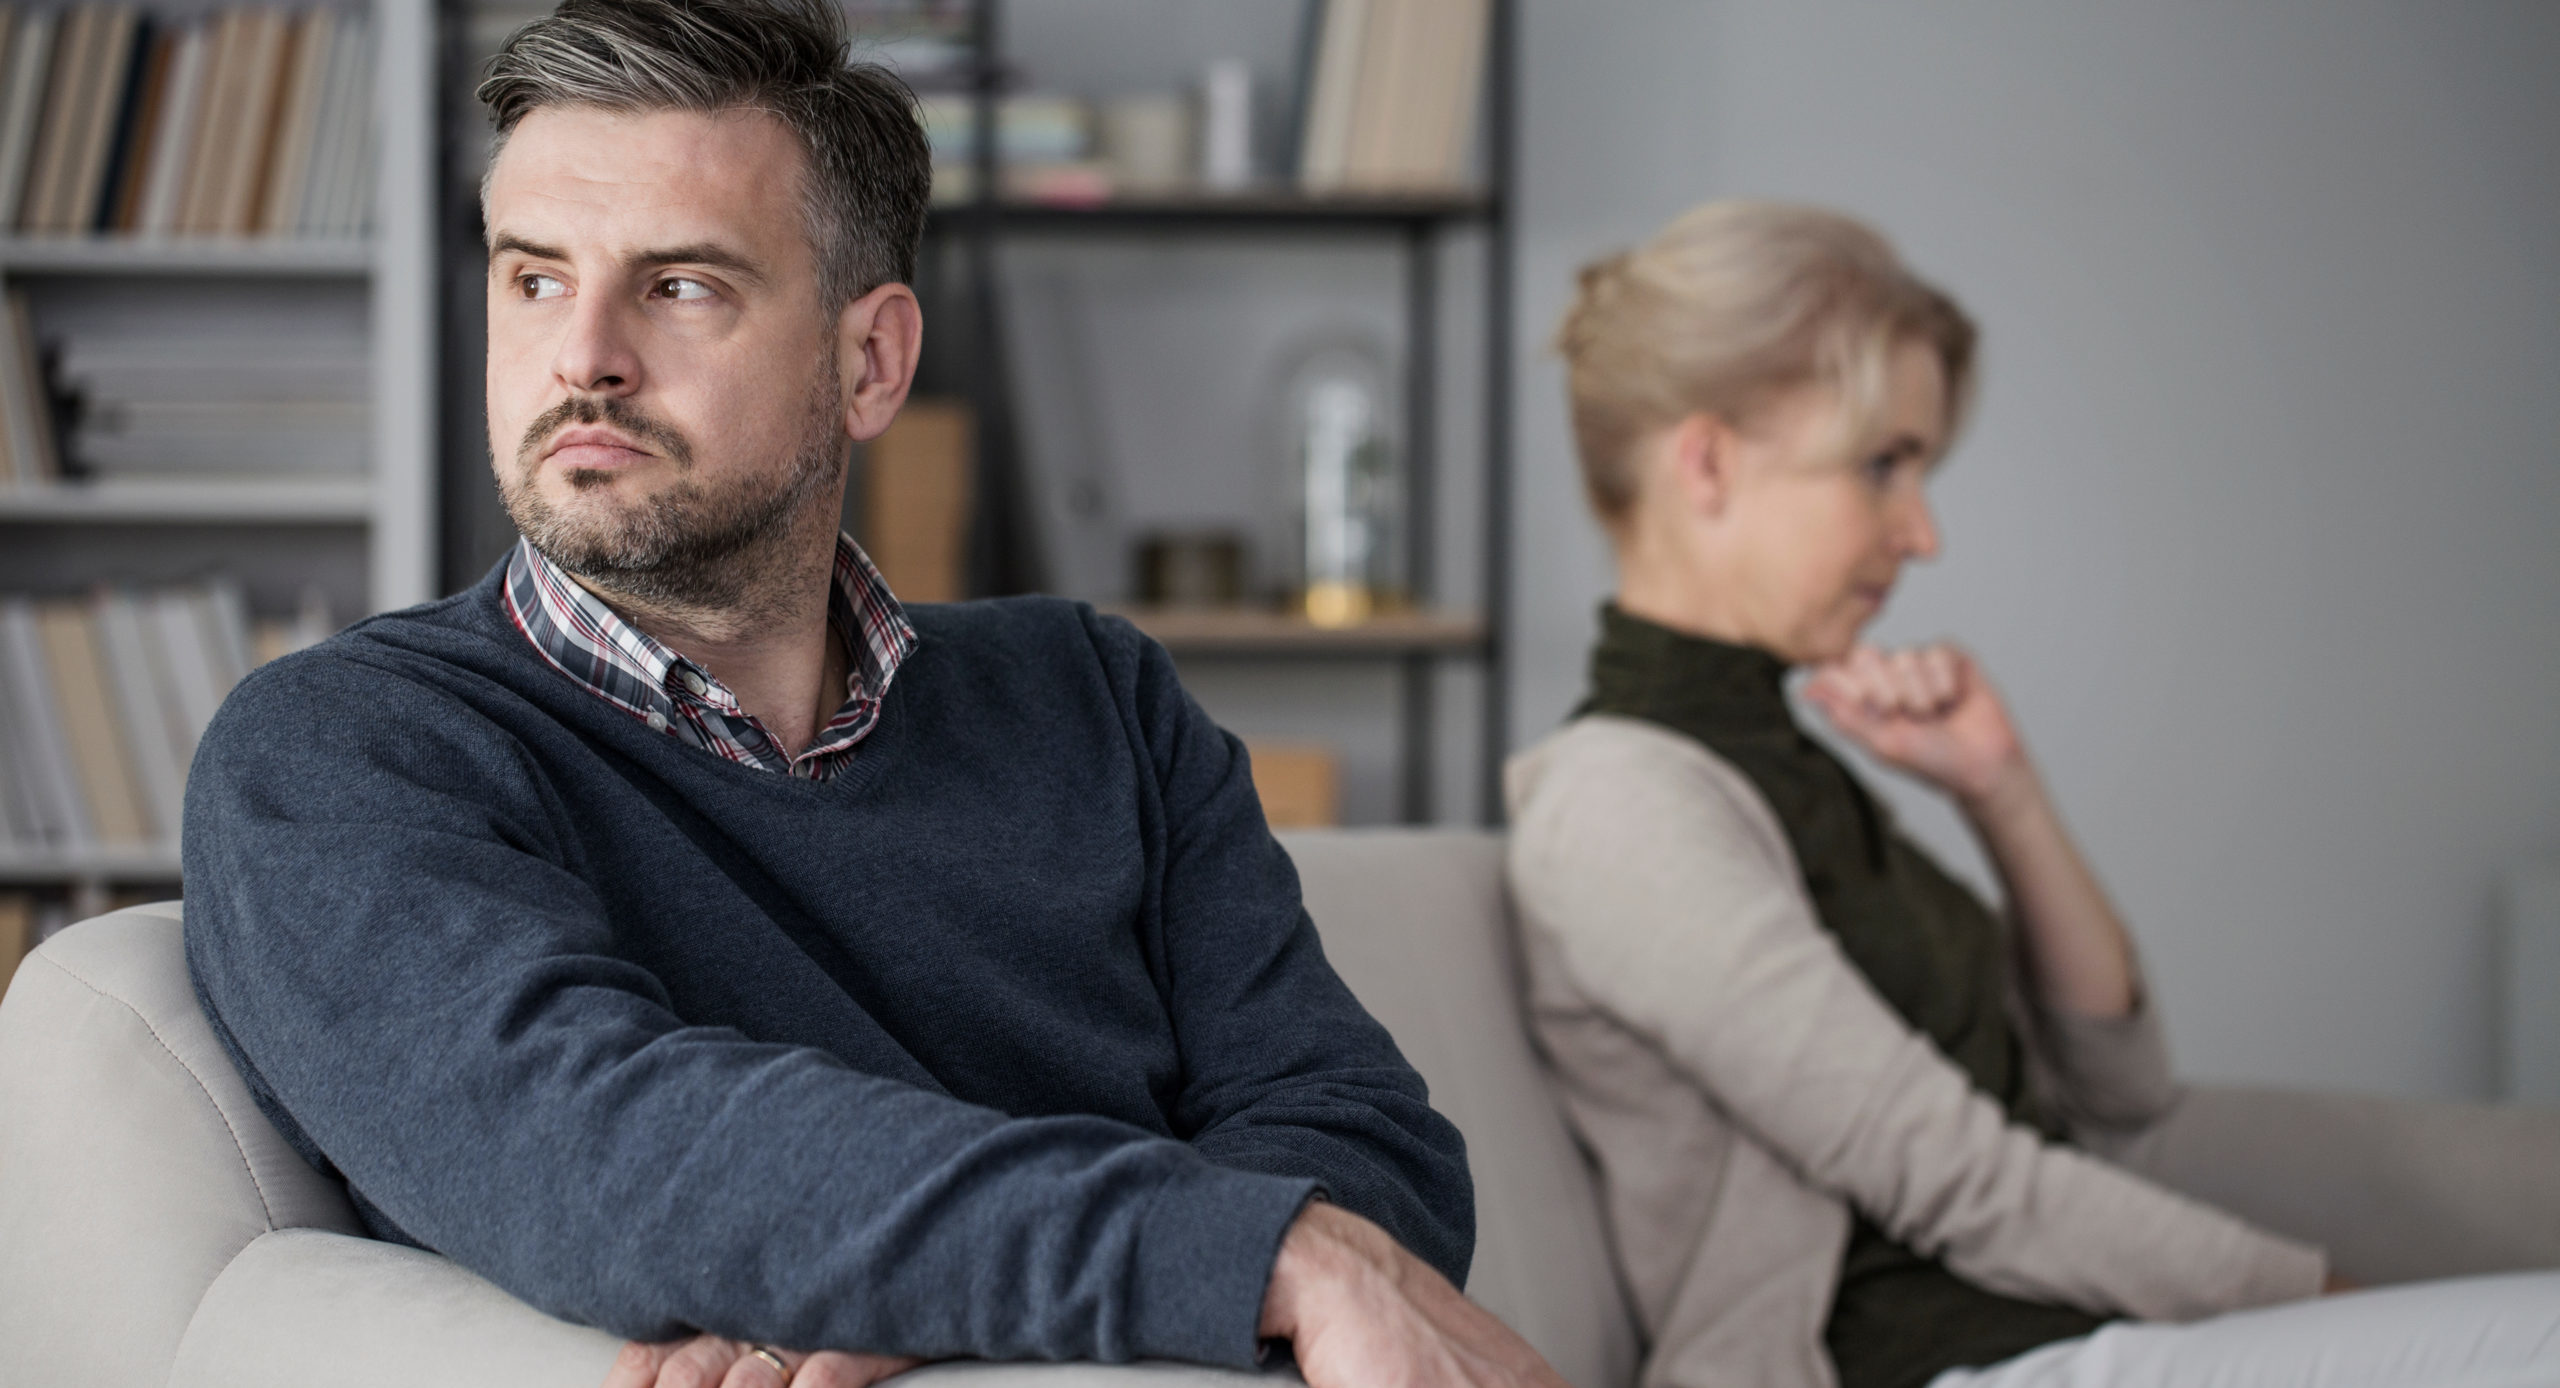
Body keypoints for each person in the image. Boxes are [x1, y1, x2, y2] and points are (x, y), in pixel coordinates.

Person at [180, 5, 1570, 1388]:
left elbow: (1370, 1143)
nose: (584, 354)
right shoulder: (341, 751)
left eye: (680, 287)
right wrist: (1248, 1255)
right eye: (534, 278)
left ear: (872, 362)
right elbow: (595, 1154)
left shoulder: (1097, 696)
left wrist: (926, 1280)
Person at [1505, 200, 2560, 1388]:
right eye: (1881, 464)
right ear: (1705, 462)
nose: (1922, 532)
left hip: (2059, 1337)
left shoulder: (1785, 768)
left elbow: (2119, 1089)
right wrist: (2322, 1299)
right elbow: (1955, 1174)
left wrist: (2001, 791)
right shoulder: (1623, 805)